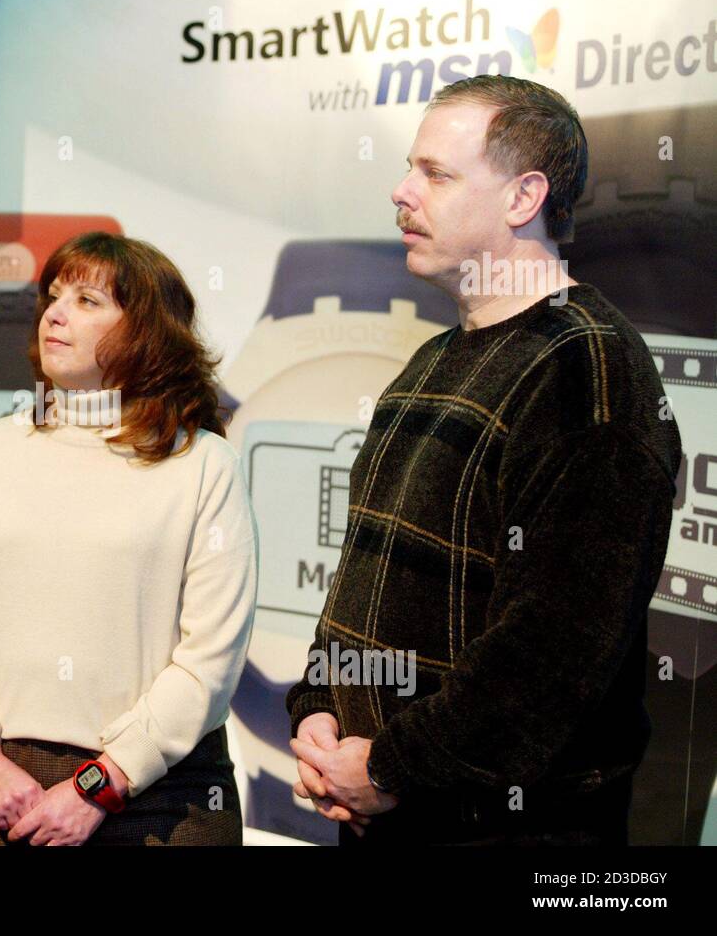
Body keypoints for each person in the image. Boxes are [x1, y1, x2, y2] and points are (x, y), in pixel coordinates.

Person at [285, 75, 682, 845]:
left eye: (436, 173)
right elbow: (363, 581)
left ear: (523, 196)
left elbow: (551, 656)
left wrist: (390, 766)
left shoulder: (588, 368)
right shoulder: (432, 360)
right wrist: (320, 707)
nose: (402, 192)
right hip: (384, 817)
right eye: (410, 167)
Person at [0, 232, 258, 845]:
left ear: (147, 332)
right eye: (53, 296)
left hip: (159, 797)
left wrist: (102, 783)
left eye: (87, 300)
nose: (55, 314)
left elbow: (211, 658)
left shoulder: (204, 464)